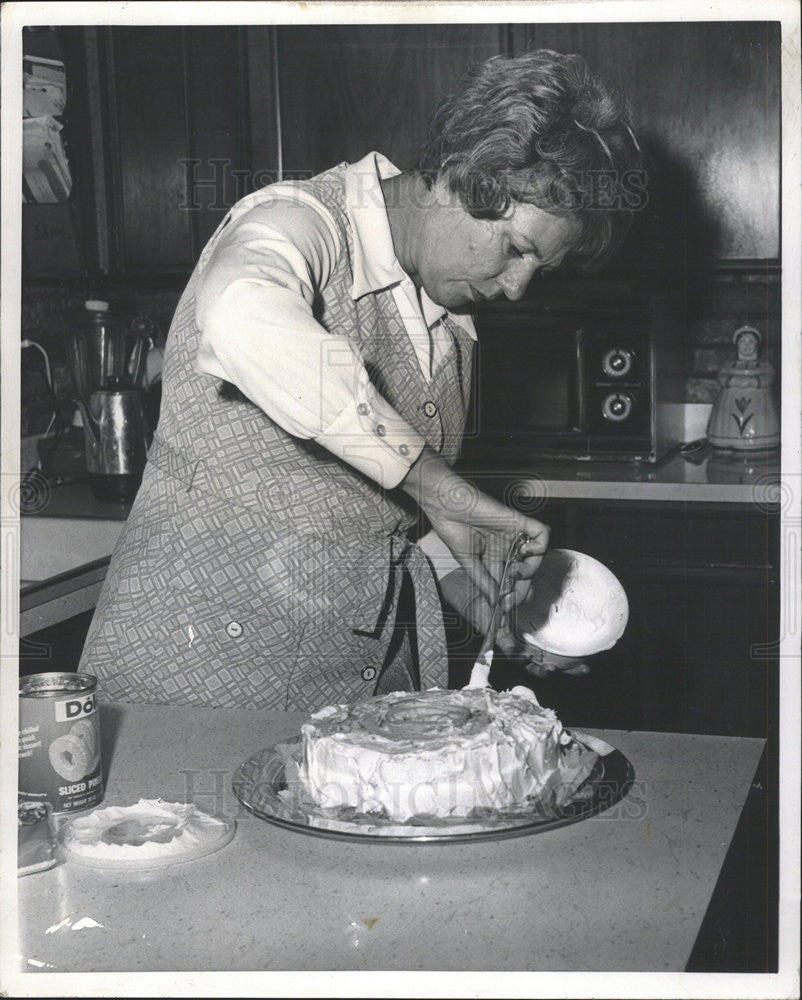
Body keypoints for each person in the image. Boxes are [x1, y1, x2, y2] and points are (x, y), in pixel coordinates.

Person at [79, 49, 643, 710]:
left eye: (538, 270)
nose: (518, 289)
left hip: (356, 693)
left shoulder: (449, 316)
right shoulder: (296, 224)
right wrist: (437, 485)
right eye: (517, 249)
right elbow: (239, 315)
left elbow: (376, 518)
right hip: (190, 689)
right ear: (462, 174)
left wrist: (483, 595)